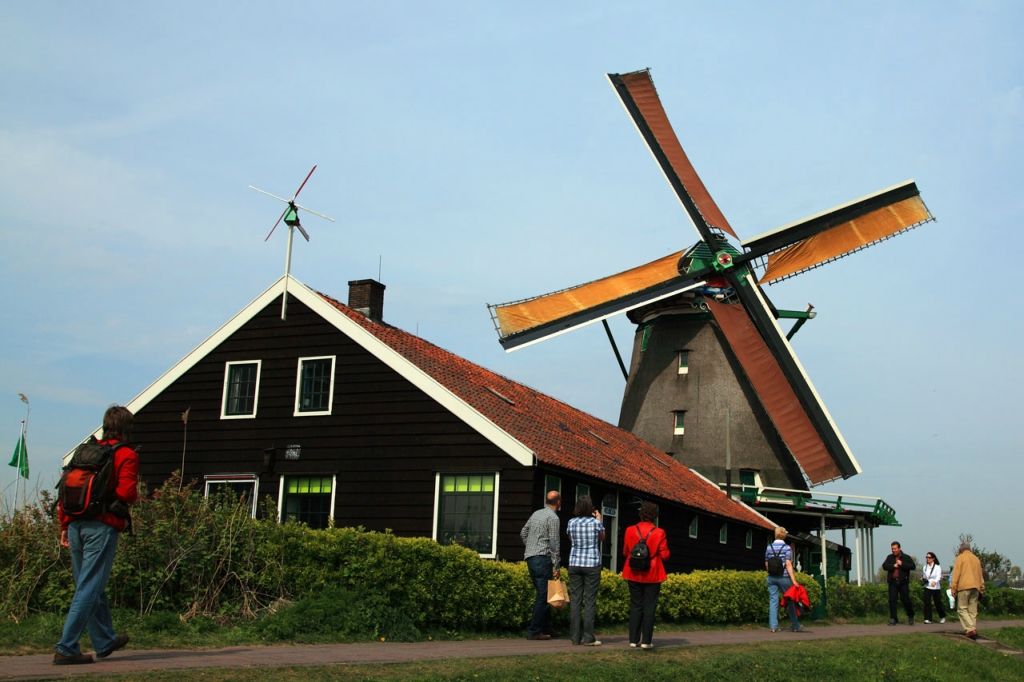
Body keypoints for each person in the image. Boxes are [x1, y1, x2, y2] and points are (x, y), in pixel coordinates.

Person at [54, 405, 139, 665]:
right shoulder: (125, 454)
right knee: (90, 587)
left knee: (90, 584)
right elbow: (126, 493)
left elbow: (64, 490)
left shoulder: (86, 451)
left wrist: (64, 526)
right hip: (101, 526)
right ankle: (67, 647)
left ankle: (103, 640)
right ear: (127, 428)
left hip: (76, 524)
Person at [621, 501, 669, 649]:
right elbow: (665, 555)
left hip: (633, 572)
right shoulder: (659, 532)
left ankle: (633, 640)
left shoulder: (630, 530)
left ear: (641, 514)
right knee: (649, 606)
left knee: (636, 605)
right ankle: (646, 641)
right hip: (652, 574)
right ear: (655, 516)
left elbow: (625, 552)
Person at [521, 490, 561, 640]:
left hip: (530, 558)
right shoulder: (553, 518)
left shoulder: (536, 514)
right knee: (544, 595)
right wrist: (556, 566)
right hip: (543, 558)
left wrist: (531, 547)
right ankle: (534, 630)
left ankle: (547, 628)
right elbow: (554, 543)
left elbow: (523, 532)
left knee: (544, 593)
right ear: (558, 502)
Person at [566, 495, 605, 646]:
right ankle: (588, 637)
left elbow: (571, 540)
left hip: (575, 562)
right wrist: (600, 520)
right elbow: (602, 538)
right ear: (591, 509)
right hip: (592, 563)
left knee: (575, 600)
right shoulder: (595, 523)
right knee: (589, 601)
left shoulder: (571, 522)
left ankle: (575, 637)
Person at [765, 526, 803, 632]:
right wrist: (794, 580)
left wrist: (770, 573)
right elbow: (788, 564)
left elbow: (767, 563)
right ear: (784, 535)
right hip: (784, 577)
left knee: (773, 601)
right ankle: (795, 626)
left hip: (771, 577)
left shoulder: (769, 547)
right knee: (790, 601)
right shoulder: (787, 548)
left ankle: (773, 627)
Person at [950, 541, 985, 640]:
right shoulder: (976, 559)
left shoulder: (960, 558)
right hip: (976, 588)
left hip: (964, 587)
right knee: (972, 610)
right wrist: (982, 588)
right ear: (970, 549)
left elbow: (956, 574)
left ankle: (970, 629)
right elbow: (980, 575)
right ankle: (972, 629)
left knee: (962, 609)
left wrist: (953, 588)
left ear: (961, 549)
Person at [882, 540, 916, 625]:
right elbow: (884, 566)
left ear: (899, 548)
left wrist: (902, 564)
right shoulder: (889, 557)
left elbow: (913, 566)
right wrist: (893, 566)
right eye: (892, 549)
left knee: (905, 600)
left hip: (903, 582)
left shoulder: (906, 557)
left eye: (895, 549)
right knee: (892, 600)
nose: (893, 550)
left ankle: (910, 615)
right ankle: (893, 618)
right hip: (893, 582)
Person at [921, 551, 947, 624]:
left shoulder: (937, 567)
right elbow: (925, 576)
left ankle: (942, 616)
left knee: (937, 603)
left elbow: (938, 576)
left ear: (933, 559)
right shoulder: (925, 567)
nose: (927, 559)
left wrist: (935, 581)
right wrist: (923, 578)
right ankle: (928, 618)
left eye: (929, 557)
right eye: (926, 557)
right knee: (927, 602)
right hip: (927, 586)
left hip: (936, 587)